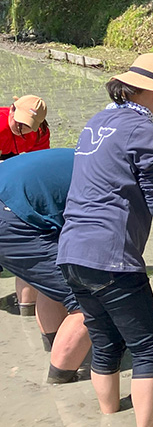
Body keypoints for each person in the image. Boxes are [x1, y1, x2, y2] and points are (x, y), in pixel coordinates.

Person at [57, 54, 153, 427]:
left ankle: (109, 423)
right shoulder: (142, 129)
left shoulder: (96, 122)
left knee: (106, 342)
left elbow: (117, 189)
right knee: (149, 348)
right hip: (111, 257)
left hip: (72, 252)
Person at [0, 148, 92, 383]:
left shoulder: (90, 153)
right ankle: (59, 384)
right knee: (92, 300)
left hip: (13, 201)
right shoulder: (117, 177)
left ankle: (54, 345)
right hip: (10, 215)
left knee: (50, 283)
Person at [1, 95, 50, 315]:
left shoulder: (40, 134)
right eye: (18, 123)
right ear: (11, 110)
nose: (21, 130)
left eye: (27, 127)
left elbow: (37, 168)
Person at [0, 95, 50, 160]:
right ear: (12, 109)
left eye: (28, 125)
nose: (20, 128)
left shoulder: (40, 134)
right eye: (19, 122)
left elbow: (39, 160)